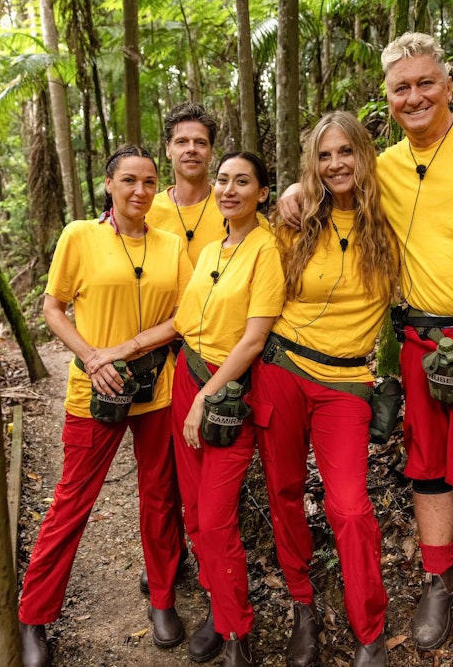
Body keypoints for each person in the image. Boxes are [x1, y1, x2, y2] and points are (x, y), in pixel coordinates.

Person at [279, 33, 453, 664]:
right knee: (428, 468)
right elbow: (330, 182)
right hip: (419, 339)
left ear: (447, 84)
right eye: (401, 88)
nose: (414, 97)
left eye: (425, 83)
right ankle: (439, 580)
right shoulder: (380, 167)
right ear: (387, 98)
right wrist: (295, 192)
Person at [18, 145, 192, 667]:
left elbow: (185, 315)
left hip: (156, 387)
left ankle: (162, 598)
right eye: (129, 180)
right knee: (72, 499)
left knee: (160, 497)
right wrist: (94, 357)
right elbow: (53, 307)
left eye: (149, 181)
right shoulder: (80, 235)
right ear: (110, 185)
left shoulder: (171, 245)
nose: (140, 190)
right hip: (94, 388)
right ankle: (34, 615)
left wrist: (129, 348)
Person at [255, 112, 398, 666]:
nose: (336, 164)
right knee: (285, 490)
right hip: (282, 369)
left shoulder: (392, 219)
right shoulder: (294, 221)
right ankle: (302, 606)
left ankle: (370, 632)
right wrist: (291, 194)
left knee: (349, 507)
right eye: (324, 155)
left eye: (345, 152)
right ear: (311, 164)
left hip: (346, 383)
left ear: (364, 155)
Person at [172, 152, 284, 667]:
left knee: (216, 520)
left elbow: (254, 338)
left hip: (226, 396)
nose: (229, 190)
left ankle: (238, 632)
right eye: (222, 180)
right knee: (195, 514)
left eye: (242, 182)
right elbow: (185, 321)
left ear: (262, 193)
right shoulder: (212, 249)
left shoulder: (267, 250)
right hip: (185, 378)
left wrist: (205, 396)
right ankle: (218, 610)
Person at [146, 102, 224, 266]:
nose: (191, 149)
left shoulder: (231, 207)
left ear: (211, 152)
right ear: (168, 149)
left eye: (200, 142)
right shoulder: (146, 210)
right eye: (181, 142)